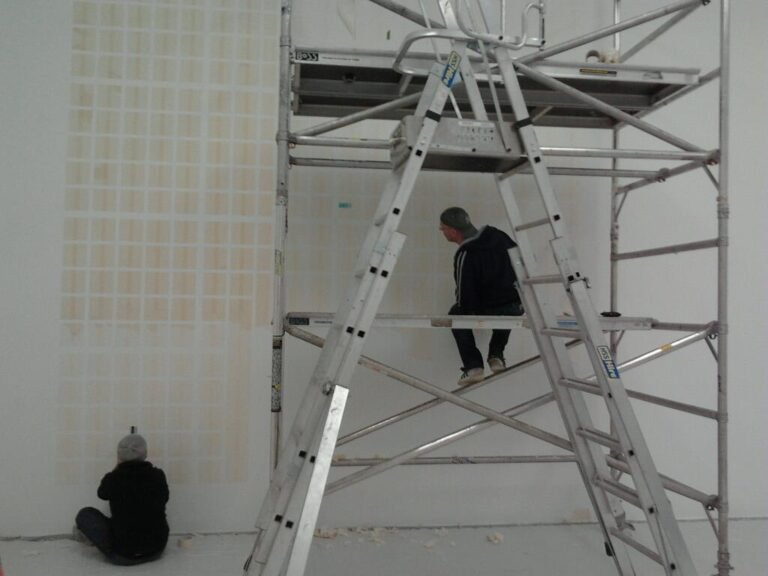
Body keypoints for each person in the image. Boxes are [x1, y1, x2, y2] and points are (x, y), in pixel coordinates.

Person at [439, 206, 523, 386]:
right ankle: (496, 355)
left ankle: (473, 367)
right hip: (514, 305)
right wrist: (522, 300)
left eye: (443, 228)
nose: (441, 230)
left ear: (453, 231)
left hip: (490, 306)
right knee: (508, 311)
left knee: (456, 315)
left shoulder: (466, 252)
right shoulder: (499, 236)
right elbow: (521, 262)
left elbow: (464, 292)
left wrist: (465, 311)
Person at [74, 433, 169, 565]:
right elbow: (165, 498)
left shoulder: (114, 478)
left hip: (125, 555)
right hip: (156, 550)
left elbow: (102, 493)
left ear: (119, 455)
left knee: (85, 514)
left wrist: (118, 468)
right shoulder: (158, 475)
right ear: (145, 453)